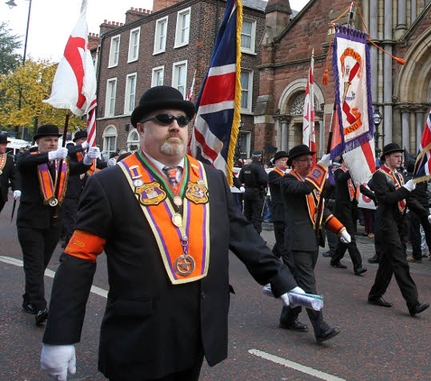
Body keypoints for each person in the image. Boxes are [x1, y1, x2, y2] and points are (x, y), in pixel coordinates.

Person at [40, 86, 300, 381]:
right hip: (141, 332)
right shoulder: (110, 183)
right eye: (163, 118)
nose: (175, 125)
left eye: (183, 119)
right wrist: (60, 335)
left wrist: (282, 280)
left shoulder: (210, 178)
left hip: (199, 326)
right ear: (141, 127)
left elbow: (240, 233)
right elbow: (78, 259)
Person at [16, 124, 96, 327]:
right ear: (38, 142)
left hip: (53, 222)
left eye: (55, 140)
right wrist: (51, 156)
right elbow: (25, 164)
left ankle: (29, 298)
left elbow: (76, 169)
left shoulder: (61, 162)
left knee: (40, 264)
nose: (52, 144)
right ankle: (40, 307)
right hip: (30, 222)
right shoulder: (30, 159)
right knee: (34, 265)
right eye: (48, 141)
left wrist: (87, 159)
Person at [279, 144, 350, 343]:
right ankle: (320, 327)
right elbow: (305, 188)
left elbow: (321, 210)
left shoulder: (311, 182)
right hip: (298, 241)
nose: (309, 163)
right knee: (309, 285)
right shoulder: (289, 180)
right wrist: (321, 168)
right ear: (294, 163)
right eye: (305, 160)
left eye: (311, 160)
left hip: (312, 240)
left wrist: (340, 229)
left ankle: (287, 317)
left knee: (297, 284)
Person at [367, 143, 431, 316]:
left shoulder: (398, 175)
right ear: (386, 158)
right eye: (396, 156)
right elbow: (386, 199)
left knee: (387, 264)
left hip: (398, 224)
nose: (400, 159)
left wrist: (425, 214)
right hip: (386, 225)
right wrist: (405, 190)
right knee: (400, 262)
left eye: (400, 156)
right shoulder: (379, 176)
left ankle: (375, 295)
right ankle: (413, 303)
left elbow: (409, 200)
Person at [330, 159, 367, 275]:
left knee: (345, 237)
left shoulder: (352, 175)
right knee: (350, 236)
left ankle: (335, 259)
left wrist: (374, 197)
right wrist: (353, 170)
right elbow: (342, 178)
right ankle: (358, 265)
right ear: (343, 162)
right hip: (342, 209)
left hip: (352, 208)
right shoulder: (338, 172)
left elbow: (361, 187)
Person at [239, 150, 269, 234]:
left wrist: (242, 187)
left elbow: (240, 180)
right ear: (260, 158)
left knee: (247, 214)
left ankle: (246, 235)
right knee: (257, 215)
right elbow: (264, 179)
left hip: (247, 192)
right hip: (257, 193)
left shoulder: (245, 167)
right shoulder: (259, 168)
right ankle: (256, 237)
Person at [268, 150, 289, 261]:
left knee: (282, 240)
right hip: (279, 211)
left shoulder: (286, 174)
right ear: (276, 162)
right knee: (283, 242)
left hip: (286, 211)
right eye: (283, 160)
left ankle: (271, 260)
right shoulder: (274, 174)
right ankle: (290, 267)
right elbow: (283, 183)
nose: (286, 162)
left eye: (287, 160)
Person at [0, 133, 20, 214]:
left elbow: (14, 174)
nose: (5, 147)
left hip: (1, 193)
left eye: (5, 144)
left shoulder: (9, 159)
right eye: (2, 144)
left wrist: (16, 188)